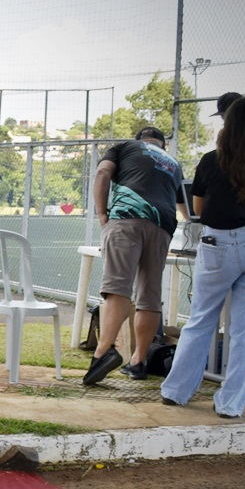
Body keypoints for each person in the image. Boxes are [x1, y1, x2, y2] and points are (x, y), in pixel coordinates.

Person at [160, 98, 245, 417]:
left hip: (218, 245)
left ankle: (176, 391)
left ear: (229, 124)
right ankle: (231, 403)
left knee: (201, 319)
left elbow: (198, 209)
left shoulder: (212, 160)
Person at [84, 126, 187, 384]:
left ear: (140, 140)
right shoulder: (174, 163)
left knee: (118, 287)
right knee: (150, 294)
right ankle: (139, 361)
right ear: (162, 145)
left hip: (127, 217)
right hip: (163, 225)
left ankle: (103, 351)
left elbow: (102, 173)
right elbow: (184, 206)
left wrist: (102, 214)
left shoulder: (125, 147)